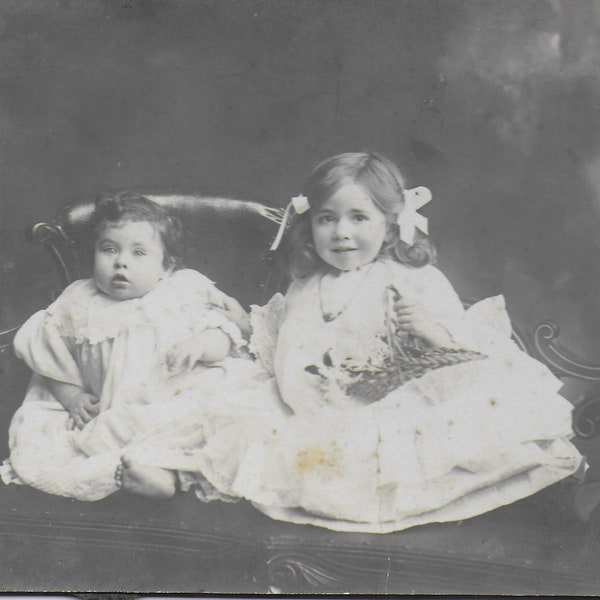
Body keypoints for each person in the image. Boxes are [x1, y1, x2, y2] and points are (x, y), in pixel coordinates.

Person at [151, 151, 582, 533]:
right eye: (327, 218)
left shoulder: (410, 279)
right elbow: (285, 349)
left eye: (359, 218)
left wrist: (429, 330)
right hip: (317, 406)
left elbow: (458, 356)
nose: (341, 232)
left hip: (388, 400)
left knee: (427, 431)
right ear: (311, 223)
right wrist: (260, 340)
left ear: (390, 223)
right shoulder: (304, 286)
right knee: (241, 419)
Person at [0, 192, 268, 501]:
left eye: (138, 253)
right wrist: (72, 396)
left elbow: (225, 332)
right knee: (54, 447)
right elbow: (50, 359)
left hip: (171, 399)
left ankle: (167, 475)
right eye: (109, 250)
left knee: (208, 428)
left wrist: (202, 344)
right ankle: (151, 473)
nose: (121, 262)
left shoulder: (183, 288)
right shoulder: (77, 300)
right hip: (109, 409)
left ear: (166, 266)